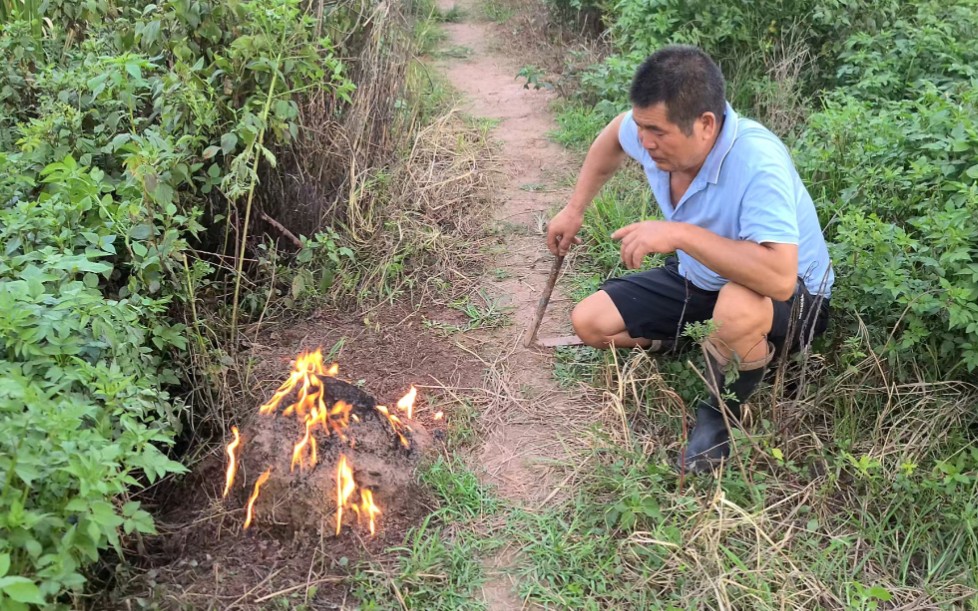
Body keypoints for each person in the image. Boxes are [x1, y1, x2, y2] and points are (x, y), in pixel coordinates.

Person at [545, 45, 834, 473]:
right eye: (642, 127)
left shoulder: (757, 162)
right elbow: (613, 137)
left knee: (737, 304)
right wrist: (574, 209)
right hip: (701, 277)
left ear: (705, 124)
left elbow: (778, 279)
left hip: (794, 299)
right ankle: (704, 341)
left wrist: (679, 233)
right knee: (590, 322)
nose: (645, 142)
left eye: (657, 132)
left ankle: (718, 418)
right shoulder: (648, 134)